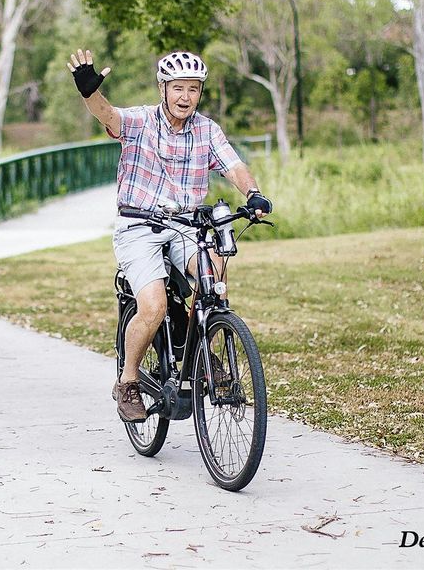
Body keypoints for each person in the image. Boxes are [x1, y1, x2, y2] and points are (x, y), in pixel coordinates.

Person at [67, 49, 272, 422]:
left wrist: (252, 192)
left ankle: (197, 348)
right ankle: (128, 381)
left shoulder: (207, 129)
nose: (185, 97)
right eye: (178, 87)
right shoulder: (142, 121)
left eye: (193, 89)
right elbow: (108, 116)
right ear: (163, 88)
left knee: (214, 275)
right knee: (154, 306)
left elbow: (234, 165)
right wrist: (89, 92)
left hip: (185, 226)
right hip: (138, 225)